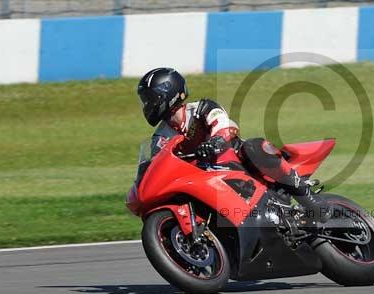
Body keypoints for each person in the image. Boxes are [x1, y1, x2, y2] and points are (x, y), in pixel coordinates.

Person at [137, 67, 330, 222]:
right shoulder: (162, 135)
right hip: (204, 177)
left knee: (255, 147)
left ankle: (309, 200)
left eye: (148, 99)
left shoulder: (201, 108)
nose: (146, 105)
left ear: (166, 93)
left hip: (234, 160)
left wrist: (216, 141)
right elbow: (157, 161)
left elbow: (223, 123)